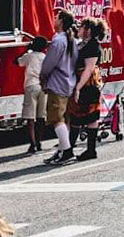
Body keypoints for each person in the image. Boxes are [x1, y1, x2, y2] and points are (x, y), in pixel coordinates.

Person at [41, 11, 80, 164]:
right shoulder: (73, 40)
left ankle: (67, 152)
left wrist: (43, 75)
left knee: (56, 118)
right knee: (65, 119)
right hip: (70, 81)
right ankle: (62, 151)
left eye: (56, 18)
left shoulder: (58, 41)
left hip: (57, 83)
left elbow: (49, 63)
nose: (54, 20)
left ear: (61, 21)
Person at [66, 18, 108, 162]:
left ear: (88, 30)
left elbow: (89, 69)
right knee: (80, 117)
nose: (79, 29)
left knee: (86, 117)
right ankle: (73, 149)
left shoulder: (93, 46)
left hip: (88, 85)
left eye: (81, 27)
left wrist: (78, 87)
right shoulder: (83, 44)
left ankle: (87, 149)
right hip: (84, 83)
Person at [17, 36, 50, 155]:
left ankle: (32, 144)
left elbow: (18, 62)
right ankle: (39, 141)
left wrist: (26, 50)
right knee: (41, 116)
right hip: (43, 87)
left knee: (30, 117)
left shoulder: (29, 56)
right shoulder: (45, 57)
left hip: (31, 86)